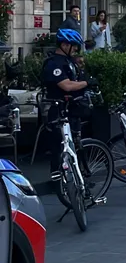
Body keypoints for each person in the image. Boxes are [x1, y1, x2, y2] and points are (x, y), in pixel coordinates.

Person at [41, 28, 96, 173]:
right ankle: (58, 178)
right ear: (64, 45)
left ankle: (79, 176)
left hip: (72, 108)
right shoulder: (53, 64)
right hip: (58, 110)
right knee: (59, 148)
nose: (76, 49)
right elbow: (66, 85)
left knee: (76, 143)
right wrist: (86, 83)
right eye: (74, 46)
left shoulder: (68, 61)